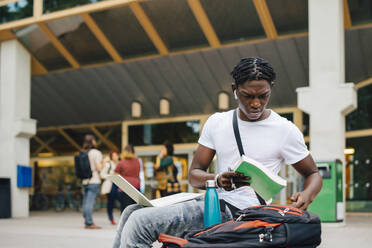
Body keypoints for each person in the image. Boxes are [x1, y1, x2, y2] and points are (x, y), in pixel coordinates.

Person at [112, 57, 322, 248]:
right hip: (213, 202)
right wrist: (217, 179)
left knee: (140, 223)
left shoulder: (284, 130)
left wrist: (307, 194)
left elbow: (313, 173)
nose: (256, 103)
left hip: (243, 213)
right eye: (247, 96)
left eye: (263, 96)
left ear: (271, 89)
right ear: (234, 89)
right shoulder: (217, 123)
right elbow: (194, 174)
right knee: (131, 212)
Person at [81, 134, 103, 229]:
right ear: (93, 141)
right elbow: (98, 168)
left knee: (86, 202)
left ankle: (87, 221)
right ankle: (89, 223)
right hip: (94, 180)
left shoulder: (83, 152)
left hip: (85, 181)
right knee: (90, 202)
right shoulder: (96, 153)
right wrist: (104, 163)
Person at [114, 144, 141, 212]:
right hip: (136, 187)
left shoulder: (121, 163)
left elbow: (115, 175)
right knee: (135, 210)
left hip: (125, 188)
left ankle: (125, 222)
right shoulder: (138, 161)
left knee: (125, 210)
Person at [100, 151, 120, 225]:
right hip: (111, 185)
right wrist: (111, 177)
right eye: (113, 155)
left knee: (121, 200)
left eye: (116, 155)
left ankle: (122, 217)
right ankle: (111, 218)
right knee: (110, 203)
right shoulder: (108, 165)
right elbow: (102, 174)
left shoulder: (120, 164)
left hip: (119, 185)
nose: (115, 157)